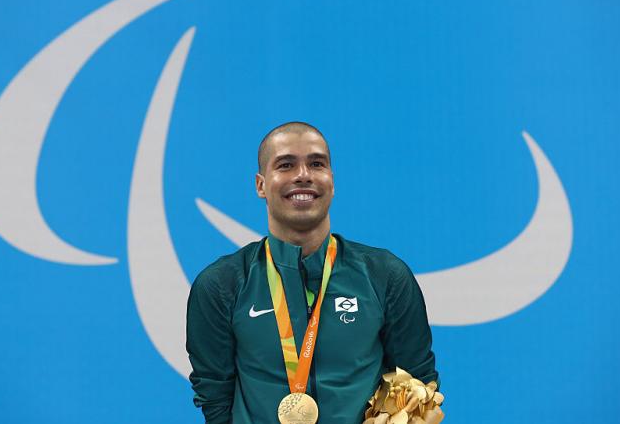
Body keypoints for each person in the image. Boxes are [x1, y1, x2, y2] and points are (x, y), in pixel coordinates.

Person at [186, 122, 438, 424]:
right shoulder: (221, 285)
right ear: (261, 185)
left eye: (317, 164)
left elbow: (415, 387)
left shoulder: (385, 276)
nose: (303, 175)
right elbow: (215, 398)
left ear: (331, 179)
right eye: (286, 164)